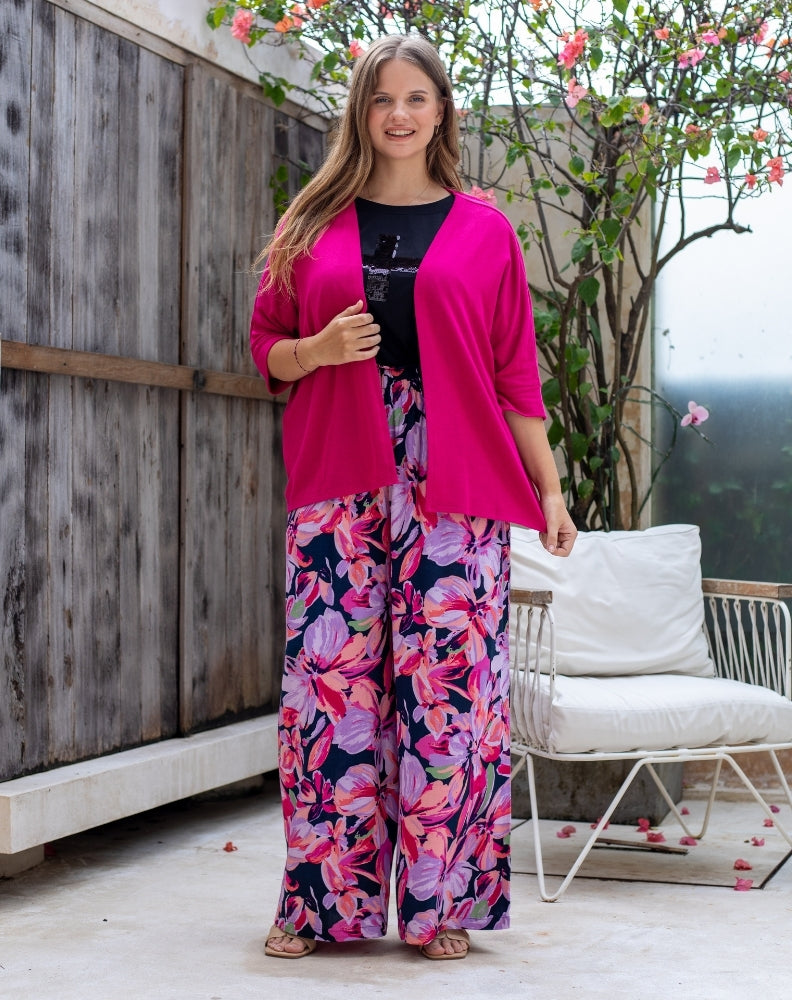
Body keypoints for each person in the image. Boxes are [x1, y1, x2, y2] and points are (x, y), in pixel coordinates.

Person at [249, 33, 577, 961]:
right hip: (339, 475)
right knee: (332, 689)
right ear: (361, 112)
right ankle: (320, 905)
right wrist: (317, 351)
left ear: (441, 113)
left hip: (458, 480)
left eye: (416, 99)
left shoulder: (486, 231)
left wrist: (550, 492)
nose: (398, 114)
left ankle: (443, 906)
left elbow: (516, 377)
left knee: (450, 697)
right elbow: (266, 347)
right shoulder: (309, 223)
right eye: (382, 99)